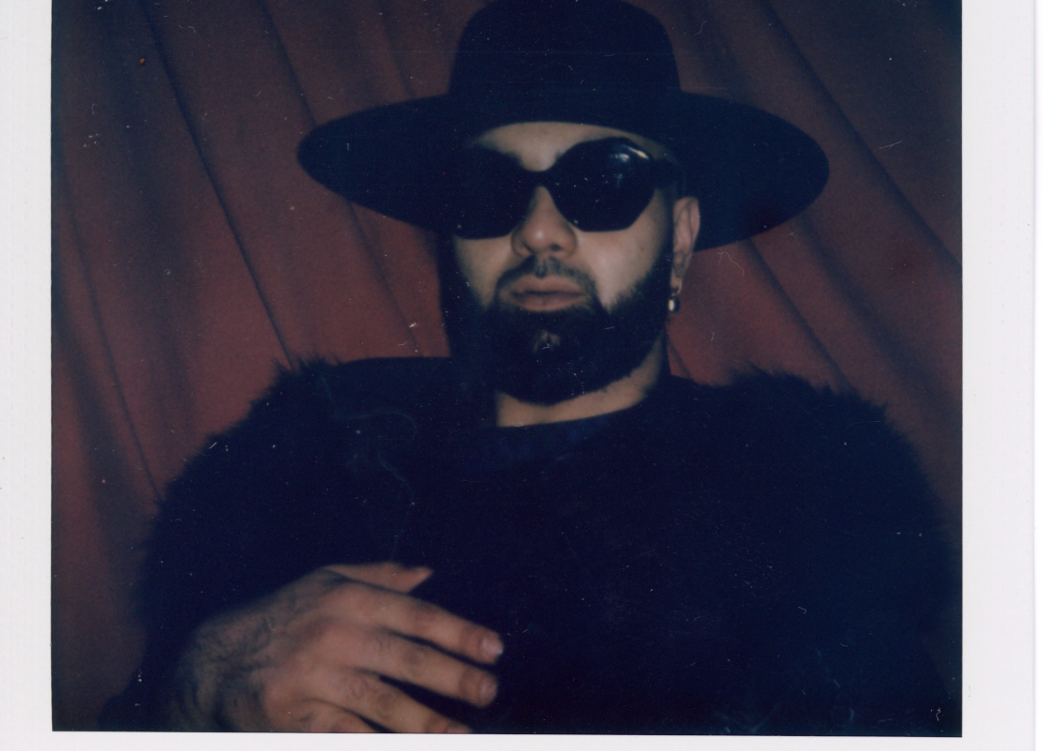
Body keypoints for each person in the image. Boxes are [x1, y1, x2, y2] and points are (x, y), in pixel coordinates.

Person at [101, 0, 957, 735]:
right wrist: (194, 689)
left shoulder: (800, 517)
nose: (539, 231)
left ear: (682, 235)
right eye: (487, 188)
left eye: (604, 182)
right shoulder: (302, 472)